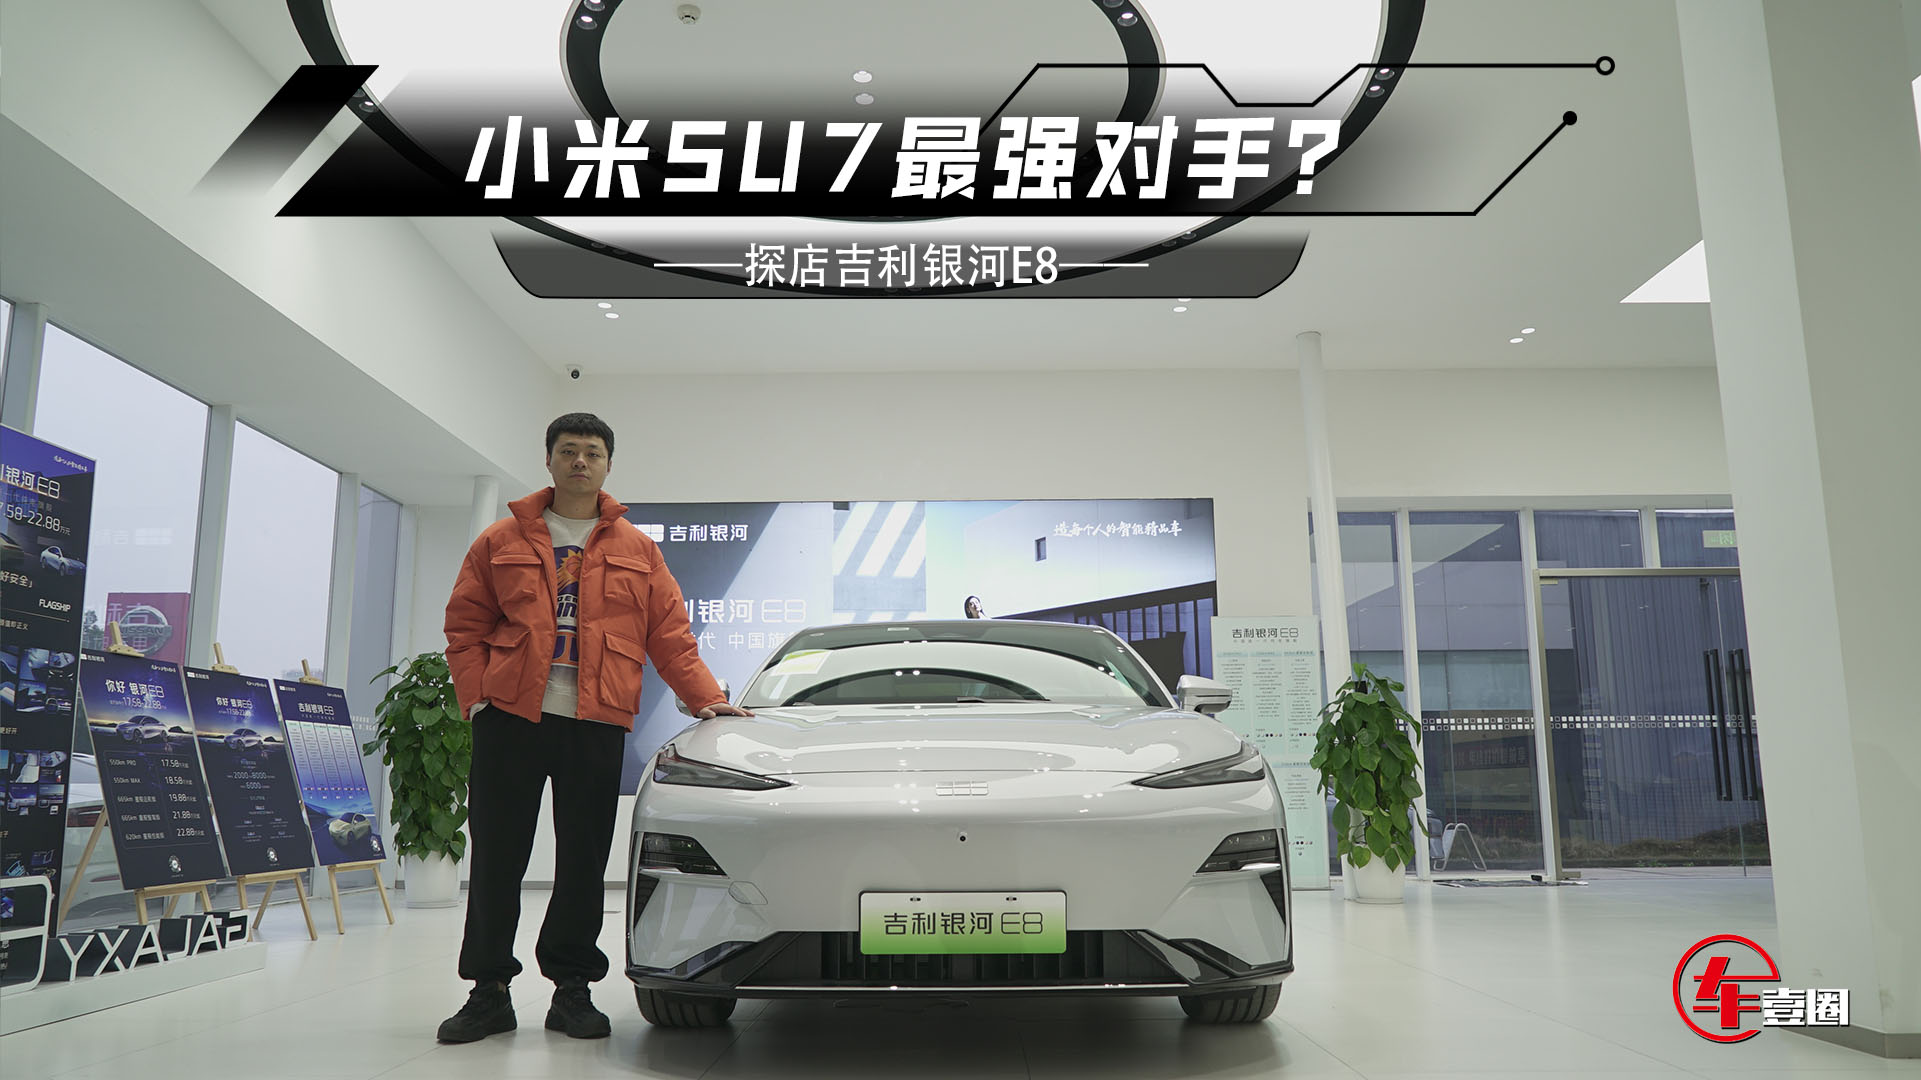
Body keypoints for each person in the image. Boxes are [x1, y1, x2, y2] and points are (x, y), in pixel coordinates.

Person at [435, 413, 750, 1043]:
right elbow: (464, 627)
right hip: (511, 719)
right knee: (497, 858)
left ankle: (572, 991)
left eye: (593, 452)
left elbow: (670, 635)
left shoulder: (639, 549)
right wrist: (477, 699)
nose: (580, 461)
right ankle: (488, 992)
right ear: (549, 459)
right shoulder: (499, 540)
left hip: (596, 720)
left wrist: (707, 699)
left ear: (608, 464)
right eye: (569, 450)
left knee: (582, 862)